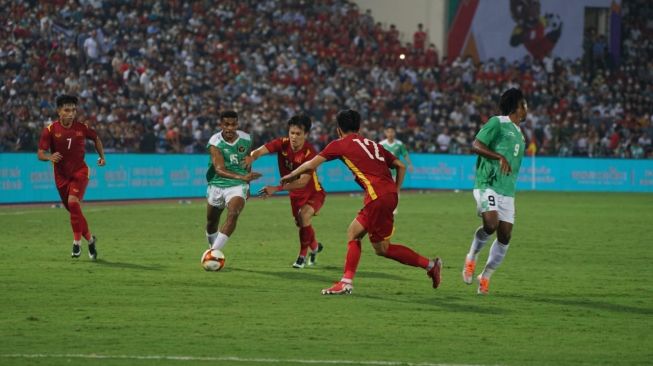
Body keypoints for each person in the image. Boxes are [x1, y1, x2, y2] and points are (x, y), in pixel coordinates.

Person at [281, 109, 442, 295]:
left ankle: (431, 265)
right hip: (385, 195)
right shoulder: (373, 144)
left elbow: (311, 164)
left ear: (338, 129)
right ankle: (346, 282)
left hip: (377, 196)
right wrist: (395, 191)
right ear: (358, 127)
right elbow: (401, 165)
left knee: (383, 248)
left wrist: (291, 174)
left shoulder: (340, 144)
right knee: (354, 232)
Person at [462, 88, 527, 295]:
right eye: (524, 104)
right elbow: (476, 145)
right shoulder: (497, 122)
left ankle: (486, 276)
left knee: (505, 236)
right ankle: (471, 256)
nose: (527, 109)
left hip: (507, 191)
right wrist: (498, 157)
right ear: (518, 106)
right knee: (491, 224)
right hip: (486, 184)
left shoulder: (520, 134)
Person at [247, 115, 326, 268]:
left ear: (306, 135)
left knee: (304, 216)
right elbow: (259, 151)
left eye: (298, 134)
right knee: (302, 224)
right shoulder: (282, 144)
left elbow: (303, 181)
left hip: (313, 192)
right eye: (292, 133)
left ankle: (302, 256)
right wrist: (251, 158)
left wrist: (276, 188)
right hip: (294, 194)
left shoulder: (310, 153)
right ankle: (315, 247)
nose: (294, 137)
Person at [37, 94, 106, 259]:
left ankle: (77, 243)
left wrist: (102, 156)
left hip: (80, 172)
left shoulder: (81, 127)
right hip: (61, 177)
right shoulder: (50, 130)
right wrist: (49, 157)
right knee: (74, 211)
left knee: (73, 202)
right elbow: (40, 153)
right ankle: (90, 241)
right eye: (67, 110)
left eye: (73, 110)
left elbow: (96, 139)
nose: (71, 113)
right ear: (59, 111)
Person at [205, 110, 261, 254]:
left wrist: (247, 185)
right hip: (217, 184)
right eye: (226, 124)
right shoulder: (215, 142)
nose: (230, 128)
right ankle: (212, 249)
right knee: (212, 222)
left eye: (233, 124)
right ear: (221, 124)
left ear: (237, 124)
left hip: (237, 186)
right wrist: (243, 178)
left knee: (233, 213)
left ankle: (213, 254)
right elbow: (219, 169)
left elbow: (248, 161)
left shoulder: (246, 139)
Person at [379, 126, 414, 214]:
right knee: (384, 190)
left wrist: (409, 164)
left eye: (392, 132)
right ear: (385, 133)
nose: (390, 134)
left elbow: (405, 154)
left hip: (396, 171)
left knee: (395, 190)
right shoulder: (381, 144)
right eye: (388, 132)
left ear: (394, 133)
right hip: (385, 171)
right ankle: (384, 207)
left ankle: (394, 208)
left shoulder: (399, 144)